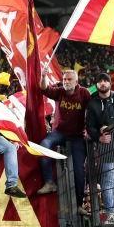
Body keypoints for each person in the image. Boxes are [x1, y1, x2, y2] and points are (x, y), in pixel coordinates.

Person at [39, 69, 91, 200]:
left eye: (69, 79)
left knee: (79, 169)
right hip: (59, 132)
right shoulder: (60, 91)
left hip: (77, 135)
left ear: (76, 82)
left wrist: (91, 130)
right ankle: (49, 182)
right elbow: (44, 88)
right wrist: (44, 76)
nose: (66, 82)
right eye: (64, 80)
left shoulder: (84, 93)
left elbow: (92, 110)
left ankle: (79, 202)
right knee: (44, 145)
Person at [85, 73, 114, 222]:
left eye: (106, 81)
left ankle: (108, 200)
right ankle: (111, 213)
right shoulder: (92, 103)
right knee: (108, 180)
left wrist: (111, 127)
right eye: (100, 81)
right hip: (105, 144)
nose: (103, 83)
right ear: (97, 85)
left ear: (110, 84)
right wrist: (99, 136)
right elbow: (89, 127)